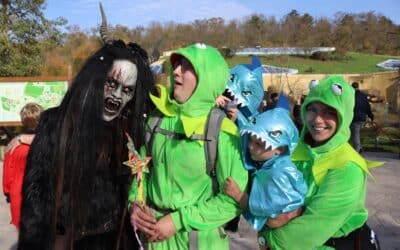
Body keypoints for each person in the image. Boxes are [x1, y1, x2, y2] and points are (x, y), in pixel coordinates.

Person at [17, 35, 155, 250]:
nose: (116, 96)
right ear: (97, 79)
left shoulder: (128, 133)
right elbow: (36, 199)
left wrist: (136, 207)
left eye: (127, 90)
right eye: (111, 83)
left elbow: (135, 187)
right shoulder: (57, 124)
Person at [129, 43, 248, 250]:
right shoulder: (156, 119)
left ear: (207, 78)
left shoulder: (222, 131)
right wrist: (135, 203)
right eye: (176, 65)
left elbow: (232, 201)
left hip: (198, 241)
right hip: (154, 239)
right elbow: (140, 168)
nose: (175, 71)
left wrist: (177, 221)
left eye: (187, 67)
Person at [260, 75, 382, 249]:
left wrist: (267, 239)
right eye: (313, 109)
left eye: (329, 112)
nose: (318, 119)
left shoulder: (347, 166)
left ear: (344, 115)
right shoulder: (297, 151)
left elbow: (312, 227)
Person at [223, 104, 307, 233]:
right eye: (250, 140)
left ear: (279, 149)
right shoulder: (271, 164)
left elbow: (263, 211)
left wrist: (238, 195)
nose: (250, 146)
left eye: (259, 144)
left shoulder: (278, 174)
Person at [2, 103, 44, 229]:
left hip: (18, 194)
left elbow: (7, 176)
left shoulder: (12, 147)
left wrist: (7, 193)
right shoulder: (45, 144)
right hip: (41, 194)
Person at [350, 81, 374, 153]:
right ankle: (359, 148)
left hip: (355, 118)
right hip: (362, 118)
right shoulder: (363, 96)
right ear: (358, 87)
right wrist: (371, 116)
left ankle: (357, 152)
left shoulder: (351, 96)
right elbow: (367, 107)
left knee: (355, 136)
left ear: (351, 87)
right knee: (356, 134)